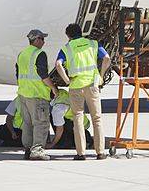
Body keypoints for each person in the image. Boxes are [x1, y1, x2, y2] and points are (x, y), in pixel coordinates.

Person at [55, 23, 111, 160]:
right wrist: (101, 75)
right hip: (92, 84)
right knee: (97, 118)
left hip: (75, 86)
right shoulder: (93, 44)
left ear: (68, 36)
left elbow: (58, 64)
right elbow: (107, 58)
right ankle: (100, 152)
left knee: (78, 119)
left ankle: (81, 153)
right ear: (81, 32)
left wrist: (67, 80)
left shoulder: (67, 48)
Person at [16, 29, 56, 160]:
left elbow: (18, 74)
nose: (44, 42)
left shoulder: (22, 54)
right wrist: (54, 89)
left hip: (23, 94)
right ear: (37, 40)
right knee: (41, 123)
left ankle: (28, 149)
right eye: (42, 39)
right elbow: (43, 75)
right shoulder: (40, 54)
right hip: (37, 94)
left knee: (27, 123)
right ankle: (37, 150)